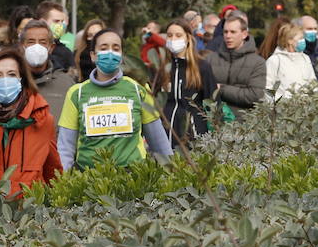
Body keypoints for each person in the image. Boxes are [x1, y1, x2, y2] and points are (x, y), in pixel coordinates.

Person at [57, 28, 172, 169]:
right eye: (104, 48)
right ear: (93, 55)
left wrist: (172, 175)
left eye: (116, 48)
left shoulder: (139, 90)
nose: (110, 53)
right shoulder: (76, 93)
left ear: (122, 55)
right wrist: (64, 182)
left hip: (133, 180)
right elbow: (65, 148)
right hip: (88, 181)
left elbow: (160, 144)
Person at [0, 46, 62, 195]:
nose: (5, 80)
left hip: (30, 212)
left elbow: (53, 171)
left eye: (12, 74)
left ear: (22, 78)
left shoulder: (41, 120)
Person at [151, 19, 217, 149]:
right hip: (166, 132)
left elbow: (213, 103)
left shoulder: (202, 67)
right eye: (169, 35)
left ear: (188, 38)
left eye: (178, 35)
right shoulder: (161, 68)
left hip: (194, 132)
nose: (173, 39)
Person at [212, 13, 266, 117]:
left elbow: (255, 96)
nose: (228, 36)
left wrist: (221, 89)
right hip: (214, 122)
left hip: (243, 123)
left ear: (244, 34)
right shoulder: (211, 59)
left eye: (233, 32)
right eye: (225, 32)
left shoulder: (257, 62)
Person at [264, 22, 316, 101]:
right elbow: (266, 87)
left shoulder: (305, 58)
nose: (303, 41)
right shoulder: (275, 60)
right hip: (283, 109)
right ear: (290, 41)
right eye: (300, 38)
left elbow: (313, 83)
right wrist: (275, 106)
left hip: (304, 109)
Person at [34, 1, 75, 71]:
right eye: (56, 21)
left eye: (62, 21)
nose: (61, 25)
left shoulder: (66, 53)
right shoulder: (28, 47)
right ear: (42, 22)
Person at [297, 15, 318, 80]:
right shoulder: (296, 49)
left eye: (315, 29)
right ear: (300, 29)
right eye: (309, 29)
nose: (313, 31)